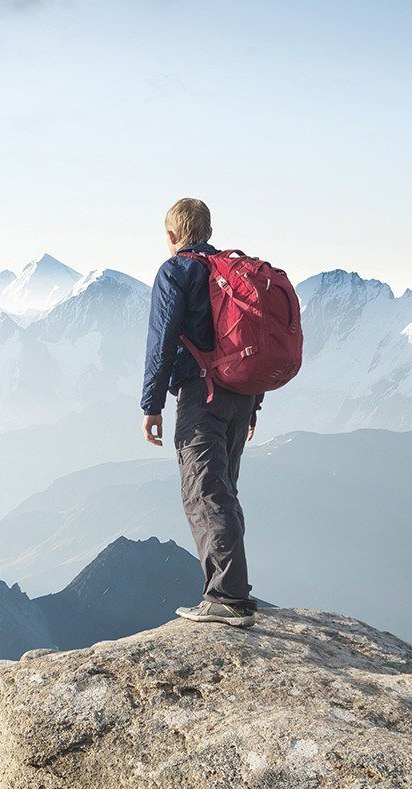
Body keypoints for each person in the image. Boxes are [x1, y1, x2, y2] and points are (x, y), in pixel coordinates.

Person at [140, 198, 261, 628]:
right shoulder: (231, 273)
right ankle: (233, 591)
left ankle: (228, 598)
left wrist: (151, 404)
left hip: (201, 395)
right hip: (240, 393)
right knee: (224, 488)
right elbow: (251, 339)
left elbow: (162, 340)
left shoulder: (176, 271)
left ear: (172, 235)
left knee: (204, 491)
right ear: (207, 230)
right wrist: (253, 403)